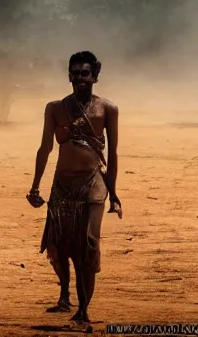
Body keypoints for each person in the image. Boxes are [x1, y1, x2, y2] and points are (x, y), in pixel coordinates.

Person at [28, 51, 122, 328]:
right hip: (62, 184)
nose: (80, 78)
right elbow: (45, 148)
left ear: (95, 76)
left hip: (93, 183)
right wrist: (34, 186)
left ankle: (83, 310)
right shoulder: (55, 108)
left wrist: (113, 192)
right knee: (57, 246)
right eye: (75, 73)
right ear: (69, 75)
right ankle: (64, 297)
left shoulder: (107, 109)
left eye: (85, 73)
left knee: (88, 245)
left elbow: (113, 154)